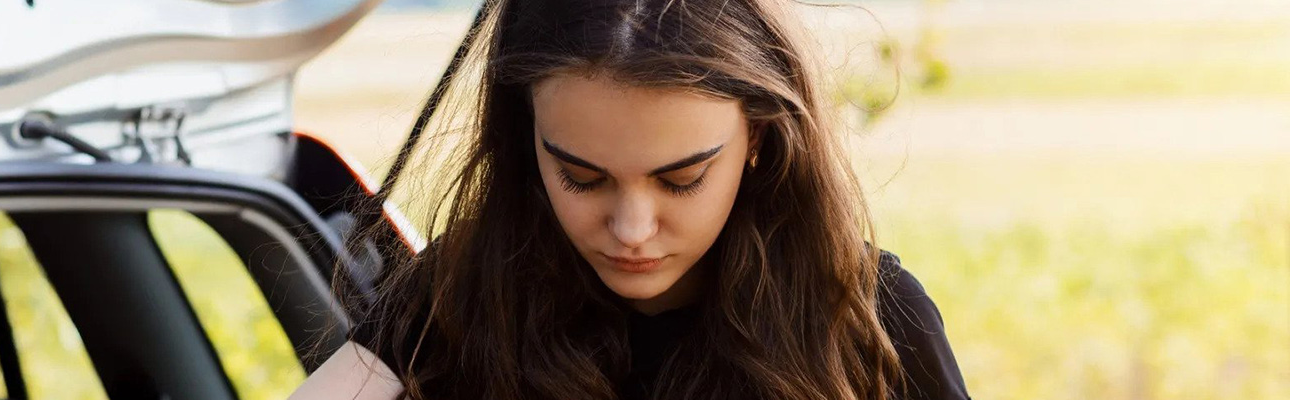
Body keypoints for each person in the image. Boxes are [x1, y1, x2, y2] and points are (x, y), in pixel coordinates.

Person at [292, 0, 969, 398]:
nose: (632, 229)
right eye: (581, 178)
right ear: (526, 137)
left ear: (759, 136)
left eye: (681, 180)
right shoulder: (464, 293)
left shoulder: (869, 316)